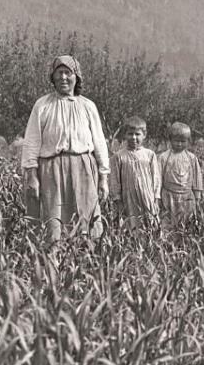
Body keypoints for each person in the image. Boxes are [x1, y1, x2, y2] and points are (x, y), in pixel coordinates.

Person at [21, 55, 109, 241]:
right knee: (53, 224)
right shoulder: (43, 105)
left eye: (68, 73)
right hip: (51, 170)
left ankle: (85, 263)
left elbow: (99, 143)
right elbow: (32, 141)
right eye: (59, 73)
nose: (63, 78)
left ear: (76, 77)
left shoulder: (88, 106)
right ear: (52, 78)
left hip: (83, 169)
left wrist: (103, 178)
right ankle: (52, 263)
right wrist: (31, 176)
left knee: (85, 220)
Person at [110, 116, 161, 228]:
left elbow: (156, 177)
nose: (133, 137)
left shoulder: (149, 155)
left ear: (144, 135)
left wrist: (156, 198)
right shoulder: (118, 156)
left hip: (147, 196)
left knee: (150, 225)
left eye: (137, 134)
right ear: (125, 135)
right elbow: (114, 180)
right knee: (131, 226)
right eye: (130, 134)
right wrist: (118, 200)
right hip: (128, 198)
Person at [158, 122, 204, 224]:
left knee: (186, 223)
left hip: (186, 197)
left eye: (183, 141)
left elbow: (197, 178)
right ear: (170, 140)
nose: (179, 144)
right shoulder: (163, 157)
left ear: (188, 141)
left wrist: (197, 196)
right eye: (176, 141)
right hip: (168, 196)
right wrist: (158, 196)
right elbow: (158, 178)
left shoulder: (191, 158)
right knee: (168, 222)